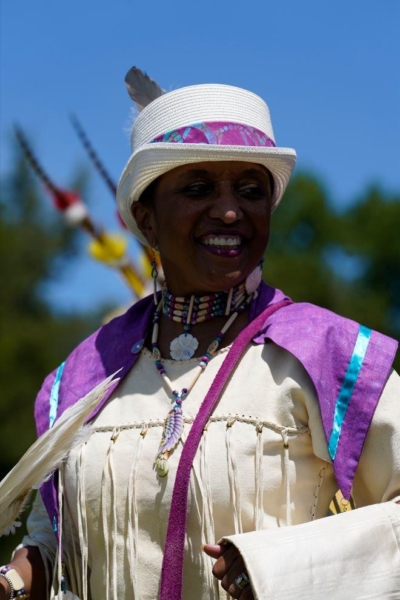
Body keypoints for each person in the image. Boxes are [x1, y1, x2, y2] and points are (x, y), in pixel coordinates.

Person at [1, 79, 399, 600]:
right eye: (198, 189)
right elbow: (58, 537)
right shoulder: (86, 377)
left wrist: (277, 567)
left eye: (250, 192)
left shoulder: (328, 354)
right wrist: (13, 582)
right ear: (145, 217)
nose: (230, 211)